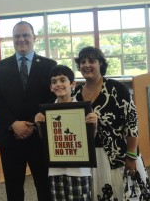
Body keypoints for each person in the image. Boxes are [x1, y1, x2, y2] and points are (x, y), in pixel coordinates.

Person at [74, 46, 150, 201]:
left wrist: (131, 156)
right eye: (83, 61)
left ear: (101, 64)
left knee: (122, 194)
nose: (86, 65)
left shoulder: (117, 88)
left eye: (92, 61)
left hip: (118, 156)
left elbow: (131, 123)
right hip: (89, 158)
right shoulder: (75, 93)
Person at [0, 21, 57, 201]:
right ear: (12, 40)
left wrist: (33, 125)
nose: (21, 39)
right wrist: (14, 124)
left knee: (45, 187)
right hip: (10, 138)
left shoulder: (50, 65)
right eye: (17, 36)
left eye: (25, 35)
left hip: (41, 138)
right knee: (13, 189)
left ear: (34, 38)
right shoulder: (0, 67)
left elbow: (53, 99)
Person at [34, 65, 98, 201]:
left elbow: (88, 141)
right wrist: (39, 125)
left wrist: (94, 125)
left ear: (72, 84)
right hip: (56, 170)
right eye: (54, 82)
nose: (58, 84)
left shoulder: (83, 110)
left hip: (79, 170)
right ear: (51, 87)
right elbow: (47, 141)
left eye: (63, 80)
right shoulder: (47, 112)